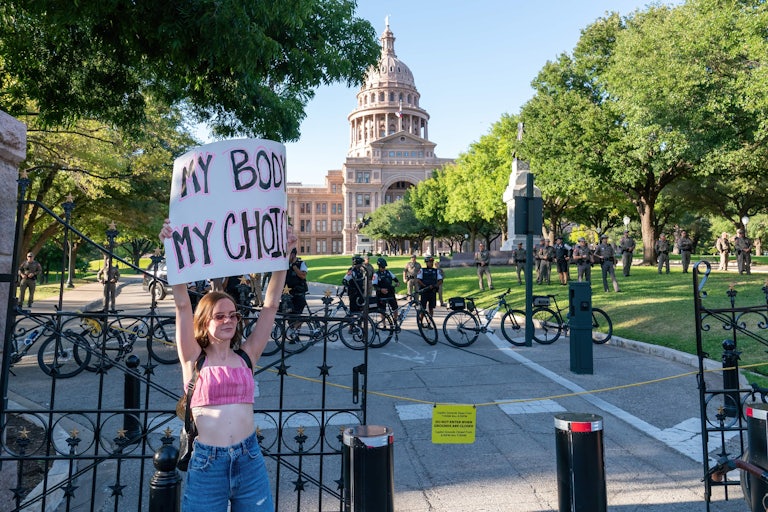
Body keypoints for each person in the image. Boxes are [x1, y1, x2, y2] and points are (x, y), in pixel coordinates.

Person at [160, 219, 290, 512]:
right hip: (208, 464)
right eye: (220, 316)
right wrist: (170, 246)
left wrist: (284, 256)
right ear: (205, 322)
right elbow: (182, 305)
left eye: (233, 315)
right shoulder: (194, 358)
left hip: (249, 459)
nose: (229, 320)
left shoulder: (246, 356)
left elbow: (270, 306)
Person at [285, 248, 309, 314]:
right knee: (288, 317)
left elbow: (303, 276)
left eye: (287, 254)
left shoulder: (301, 263)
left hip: (299, 294)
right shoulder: (285, 264)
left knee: (296, 316)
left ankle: (300, 322)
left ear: (292, 255)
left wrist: (294, 266)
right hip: (288, 294)